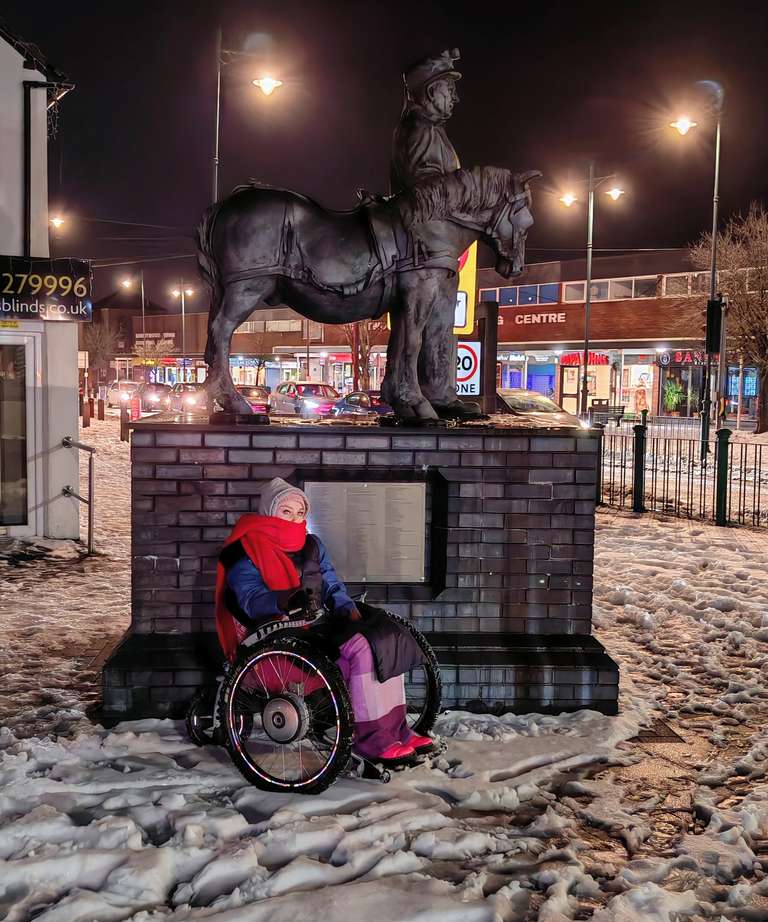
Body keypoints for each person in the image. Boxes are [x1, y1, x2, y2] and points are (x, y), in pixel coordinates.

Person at [215, 477, 434, 766]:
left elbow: (330, 582)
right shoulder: (243, 550)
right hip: (277, 632)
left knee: (383, 636)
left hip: (313, 623)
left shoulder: (311, 544)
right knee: (361, 648)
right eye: (286, 512)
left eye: (299, 513)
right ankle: (372, 740)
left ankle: (397, 731)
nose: (293, 519)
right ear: (269, 511)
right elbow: (250, 599)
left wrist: (344, 606)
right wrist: (284, 600)